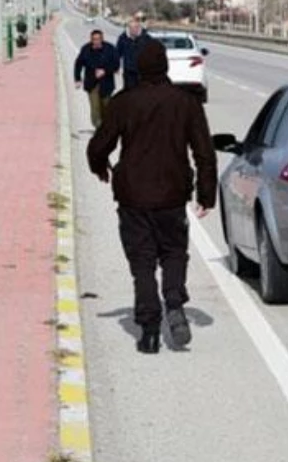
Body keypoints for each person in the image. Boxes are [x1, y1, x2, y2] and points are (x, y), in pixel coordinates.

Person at [87, 37, 216, 355]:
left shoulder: (124, 102)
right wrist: (206, 194)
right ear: (165, 66)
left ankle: (148, 332)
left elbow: (99, 144)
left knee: (142, 263)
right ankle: (174, 301)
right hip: (172, 194)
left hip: (133, 196)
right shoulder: (186, 102)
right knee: (174, 252)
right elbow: (204, 152)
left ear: (137, 67)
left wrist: (100, 167)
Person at [73, 30, 119, 128]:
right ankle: (98, 128)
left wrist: (105, 71)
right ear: (91, 40)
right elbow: (78, 64)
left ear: (102, 39)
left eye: (98, 39)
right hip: (92, 83)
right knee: (95, 108)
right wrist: (77, 79)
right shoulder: (86, 49)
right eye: (94, 39)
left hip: (106, 84)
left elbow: (116, 64)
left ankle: (106, 126)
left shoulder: (110, 49)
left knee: (106, 107)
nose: (96, 41)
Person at [115, 17, 150, 92]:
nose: (134, 29)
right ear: (128, 28)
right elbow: (117, 53)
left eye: (136, 27)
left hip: (143, 71)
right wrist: (116, 66)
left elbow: (152, 53)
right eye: (131, 27)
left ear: (139, 27)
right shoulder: (123, 38)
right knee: (129, 93)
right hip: (129, 71)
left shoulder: (146, 38)